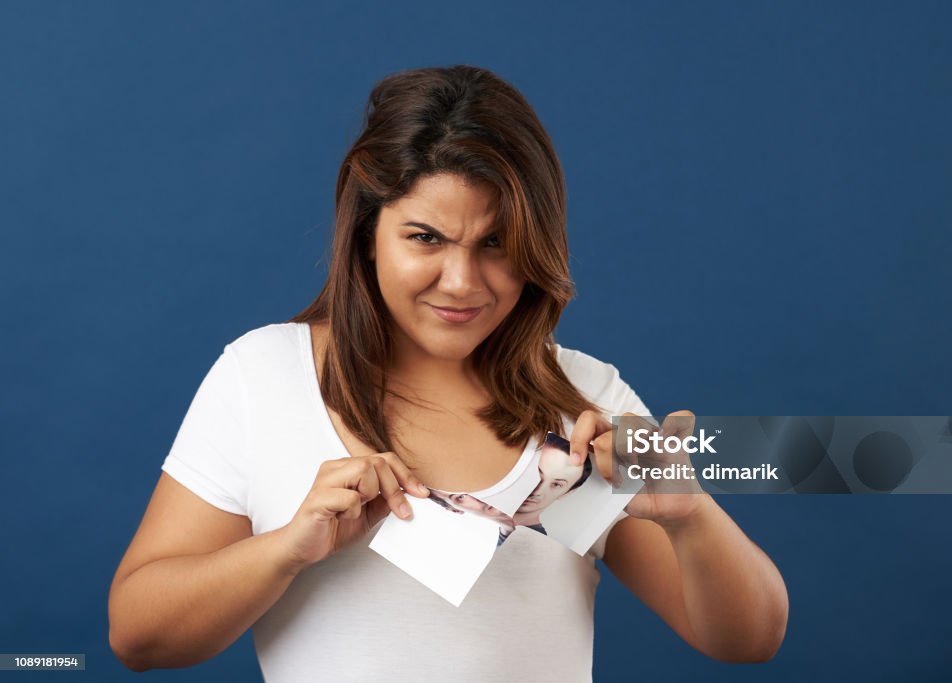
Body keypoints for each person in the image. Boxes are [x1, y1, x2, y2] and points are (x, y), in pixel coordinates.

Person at [108, 64, 788, 680]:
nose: (460, 282)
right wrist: (285, 549)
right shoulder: (262, 377)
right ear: (367, 233)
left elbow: (750, 638)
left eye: (495, 243)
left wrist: (690, 516)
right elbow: (137, 634)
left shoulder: (585, 401)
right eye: (425, 238)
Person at [513, 432, 593, 534]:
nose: (537, 490)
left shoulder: (536, 542)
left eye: (556, 484)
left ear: (568, 492)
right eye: (537, 473)